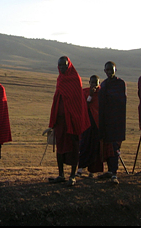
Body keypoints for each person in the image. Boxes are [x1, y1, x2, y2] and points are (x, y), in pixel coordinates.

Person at [43, 56, 90, 186]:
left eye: (64, 65)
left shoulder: (75, 79)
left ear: (68, 65)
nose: (62, 68)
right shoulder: (60, 79)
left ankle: (72, 176)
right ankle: (61, 174)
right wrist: (54, 120)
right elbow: (57, 99)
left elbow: (77, 103)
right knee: (60, 148)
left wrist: (75, 118)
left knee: (74, 148)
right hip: (60, 122)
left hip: (72, 120)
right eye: (60, 66)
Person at [97, 62, 127, 184]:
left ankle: (114, 173)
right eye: (107, 70)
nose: (109, 72)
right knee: (107, 146)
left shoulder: (120, 84)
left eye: (111, 69)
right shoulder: (103, 85)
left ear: (115, 69)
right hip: (106, 120)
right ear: (105, 71)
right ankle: (110, 170)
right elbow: (101, 104)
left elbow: (122, 102)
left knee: (115, 147)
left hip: (117, 120)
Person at [77, 75, 101, 178]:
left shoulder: (101, 93)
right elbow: (83, 106)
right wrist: (90, 96)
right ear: (89, 82)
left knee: (95, 147)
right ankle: (80, 168)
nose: (94, 85)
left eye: (96, 83)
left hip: (97, 124)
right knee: (84, 145)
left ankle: (92, 171)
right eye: (92, 83)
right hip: (86, 123)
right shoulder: (85, 92)